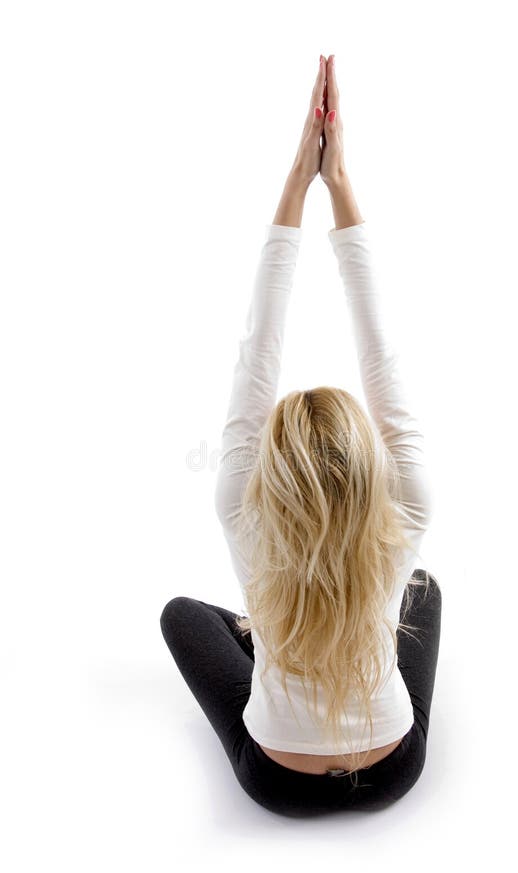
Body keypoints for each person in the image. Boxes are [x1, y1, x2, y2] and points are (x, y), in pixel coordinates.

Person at [160, 54, 442, 818]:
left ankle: (279, 630)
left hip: (273, 781)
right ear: (366, 464)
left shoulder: (242, 514)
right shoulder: (404, 510)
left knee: (185, 615)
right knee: (420, 588)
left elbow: (258, 351)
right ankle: (320, 642)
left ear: (274, 468)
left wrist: (295, 182)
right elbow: (380, 351)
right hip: (395, 769)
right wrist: (339, 184)